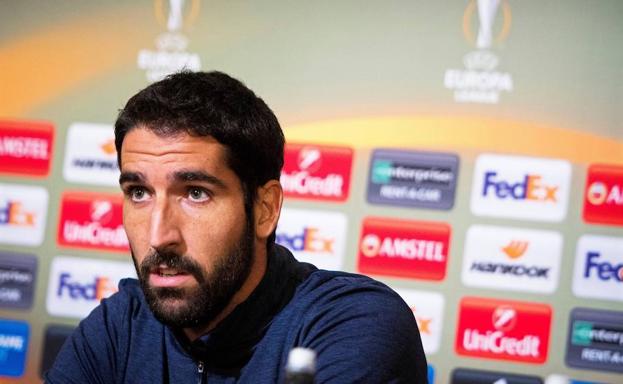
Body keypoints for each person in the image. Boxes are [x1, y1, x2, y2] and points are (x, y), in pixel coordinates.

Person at [45, 71, 428, 383]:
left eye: (195, 193)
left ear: (264, 209)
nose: (160, 236)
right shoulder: (120, 328)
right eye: (140, 192)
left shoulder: (351, 323)